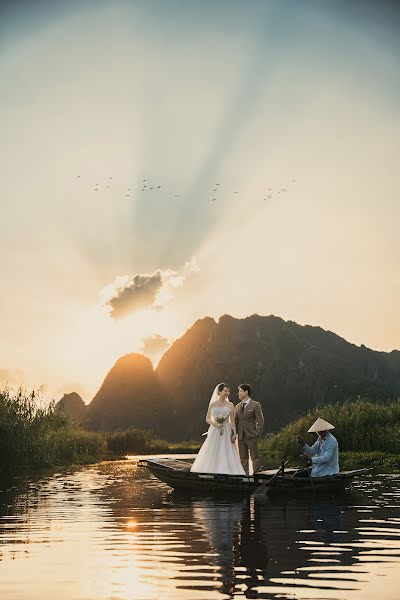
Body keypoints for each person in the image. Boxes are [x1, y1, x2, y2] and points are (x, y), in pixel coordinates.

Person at [190, 383, 245, 475]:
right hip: (215, 430)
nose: (227, 393)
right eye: (225, 391)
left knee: (226, 450)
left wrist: (235, 433)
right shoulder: (213, 404)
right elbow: (207, 418)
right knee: (212, 449)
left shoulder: (230, 405)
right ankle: (210, 470)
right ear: (219, 392)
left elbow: (232, 421)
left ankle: (227, 471)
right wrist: (215, 424)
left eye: (228, 391)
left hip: (226, 430)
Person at [234, 383, 264, 474]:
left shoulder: (255, 405)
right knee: (243, 458)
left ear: (246, 392)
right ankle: (245, 476)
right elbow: (235, 422)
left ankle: (256, 476)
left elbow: (260, 421)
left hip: (252, 435)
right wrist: (234, 434)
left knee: (254, 457)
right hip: (241, 437)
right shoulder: (237, 406)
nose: (238, 393)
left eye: (240, 391)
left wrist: (257, 434)